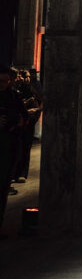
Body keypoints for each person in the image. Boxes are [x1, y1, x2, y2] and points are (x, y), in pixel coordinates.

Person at [0, 65, 28, 235]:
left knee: (2, 188)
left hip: (7, 147)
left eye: (4, 81)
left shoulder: (14, 97)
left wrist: (15, 121)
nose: (1, 84)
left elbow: (23, 117)